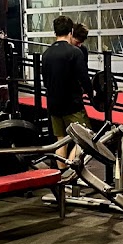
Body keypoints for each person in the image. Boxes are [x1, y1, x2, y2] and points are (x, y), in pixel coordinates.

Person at [42, 15, 93, 162]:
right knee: (85, 138)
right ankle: (72, 169)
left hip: (53, 104)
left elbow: (45, 80)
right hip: (72, 104)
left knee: (61, 141)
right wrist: (92, 96)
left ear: (55, 32)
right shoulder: (75, 52)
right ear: (71, 31)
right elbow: (84, 79)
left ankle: (62, 174)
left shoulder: (46, 54)